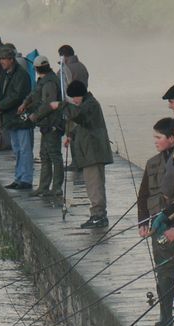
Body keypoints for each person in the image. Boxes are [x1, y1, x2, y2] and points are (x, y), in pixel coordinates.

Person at [52, 80, 113, 229]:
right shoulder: (87, 105)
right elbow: (83, 124)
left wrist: (61, 105)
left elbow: (79, 116)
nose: (74, 101)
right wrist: (71, 135)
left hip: (94, 154)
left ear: (80, 95)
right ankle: (97, 214)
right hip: (90, 154)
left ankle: (98, 216)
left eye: (75, 98)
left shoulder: (90, 105)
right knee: (93, 185)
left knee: (95, 186)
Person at [137, 118, 174, 326]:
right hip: (158, 228)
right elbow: (143, 195)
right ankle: (166, 315)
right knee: (163, 274)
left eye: (158, 137)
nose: (155, 141)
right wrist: (143, 222)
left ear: (172, 139)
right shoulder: (152, 163)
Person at [0, 48, 34, 189]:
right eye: (0, 59)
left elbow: (17, 96)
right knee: (17, 149)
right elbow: (0, 91)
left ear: (11, 60)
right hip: (10, 119)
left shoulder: (22, 76)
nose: (1, 61)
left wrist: (1, 106)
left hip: (22, 119)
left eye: (4, 59)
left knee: (25, 150)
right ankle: (18, 178)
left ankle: (26, 179)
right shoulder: (5, 74)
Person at [18, 55, 64, 199]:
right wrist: (25, 103)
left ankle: (56, 188)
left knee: (54, 156)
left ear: (36, 69)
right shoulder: (43, 80)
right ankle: (43, 187)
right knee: (44, 156)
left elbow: (48, 105)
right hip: (46, 125)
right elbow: (34, 94)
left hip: (52, 124)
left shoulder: (49, 82)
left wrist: (34, 116)